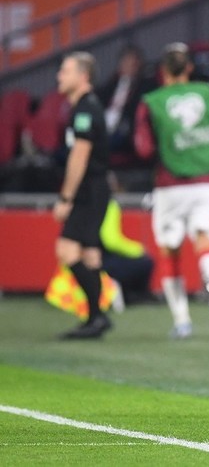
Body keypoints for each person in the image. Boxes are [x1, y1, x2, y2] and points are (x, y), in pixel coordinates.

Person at [134, 43, 209, 339]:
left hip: (170, 185)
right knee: (206, 240)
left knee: (170, 251)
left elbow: (143, 148)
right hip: (206, 181)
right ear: (189, 67)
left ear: (162, 71)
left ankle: (182, 321)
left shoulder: (152, 101)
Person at [52, 51, 113, 339]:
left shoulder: (85, 110)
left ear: (83, 76)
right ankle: (96, 318)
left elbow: (80, 156)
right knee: (90, 255)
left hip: (88, 190)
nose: (59, 76)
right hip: (96, 188)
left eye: (65, 71)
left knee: (66, 250)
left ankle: (97, 316)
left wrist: (66, 199)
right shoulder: (86, 107)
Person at [96, 44, 156, 170]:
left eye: (133, 63)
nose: (130, 66)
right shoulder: (110, 85)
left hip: (125, 130)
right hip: (105, 127)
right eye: (127, 62)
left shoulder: (145, 86)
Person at [100, 198, 155, 305]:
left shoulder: (80, 204)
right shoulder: (109, 205)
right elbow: (111, 241)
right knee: (146, 262)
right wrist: (138, 249)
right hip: (103, 260)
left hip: (82, 260)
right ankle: (137, 297)